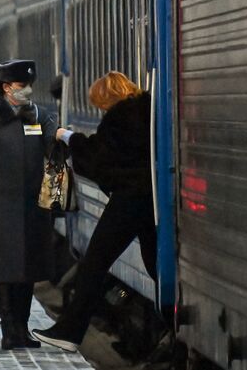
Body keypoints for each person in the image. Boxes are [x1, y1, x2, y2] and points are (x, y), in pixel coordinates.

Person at [32, 71, 157, 352]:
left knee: (94, 264)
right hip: (150, 200)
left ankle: (68, 332)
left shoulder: (120, 118)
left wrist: (68, 136)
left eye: (99, 102)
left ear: (107, 97)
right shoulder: (146, 109)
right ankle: (176, 321)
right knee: (154, 262)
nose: (100, 109)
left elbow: (98, 158)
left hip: (130, 200)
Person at [0, 59, 57, 350]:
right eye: (21, 86)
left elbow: (54, 151)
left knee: (27, 271)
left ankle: (22, 327)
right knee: (5, 270)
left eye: (30, 85)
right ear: (6, 88)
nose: (27, 90)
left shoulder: (39, 117)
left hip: (32, 209)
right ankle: (8, 329)